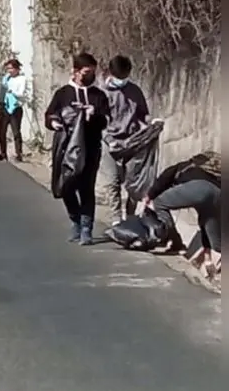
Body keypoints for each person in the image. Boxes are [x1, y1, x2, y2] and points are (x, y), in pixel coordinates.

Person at [45, 52, 109, 245]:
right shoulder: (63, 93)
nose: (90, 76)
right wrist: (54, 122)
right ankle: (75, 219)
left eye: (92, 72)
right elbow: (50, 114)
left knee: (86, 187)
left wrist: (93, 113)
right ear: (75, 71)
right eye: (86, 72)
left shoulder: (99, 95)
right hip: (66, 148)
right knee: (66, 186)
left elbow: (106, 120)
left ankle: (87, 228)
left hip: (90, 147)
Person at [139, 151, 220, 273]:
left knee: (159, 203)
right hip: (218, 193)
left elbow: (163, 179)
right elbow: (204, 225)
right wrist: (207, 257)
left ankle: (174, 240)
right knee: (214, 237)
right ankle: (208, 258)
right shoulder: (212, 174)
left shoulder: (182, 166)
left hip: (196, 189)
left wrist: (149, 196)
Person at [99, 55, 151, 226]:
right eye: (119, 77)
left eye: (125, 77)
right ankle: (115, 219)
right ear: (111, 74)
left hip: (132, 142)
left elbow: (143, 114)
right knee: (112, 181)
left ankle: (130, 217)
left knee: (133, 182)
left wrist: (147, 125)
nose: (122, 81)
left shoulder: (134, 91)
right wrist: (108, 138)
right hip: (110, 143)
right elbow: (98, 122)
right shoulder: (102, 93)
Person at [2, 58, 28, 161]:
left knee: (16, 132)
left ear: (17, 69)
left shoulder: (22, 79)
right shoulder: (6, 79)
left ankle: (19, 153)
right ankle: (3, 153)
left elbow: (21, 93)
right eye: (8, 68)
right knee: (2, 131)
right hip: (5, 106)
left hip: (16, 107)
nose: (9, 71)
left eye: (11, 68)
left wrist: (12, 91)